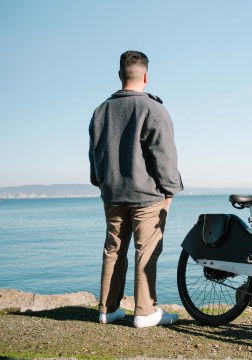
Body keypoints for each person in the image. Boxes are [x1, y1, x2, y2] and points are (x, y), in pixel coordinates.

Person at [89, 50, 183, 328]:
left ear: (120, 75)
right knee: (147, 250)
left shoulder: (100, 111)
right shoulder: (153, 109)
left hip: (113, 193)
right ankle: (144, 311)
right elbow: (164, 156)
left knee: (113, 249)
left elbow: (95, 155)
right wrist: (170, 191)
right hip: (147, 196)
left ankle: (108, 309)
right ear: (145, 76)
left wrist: (102, 182)